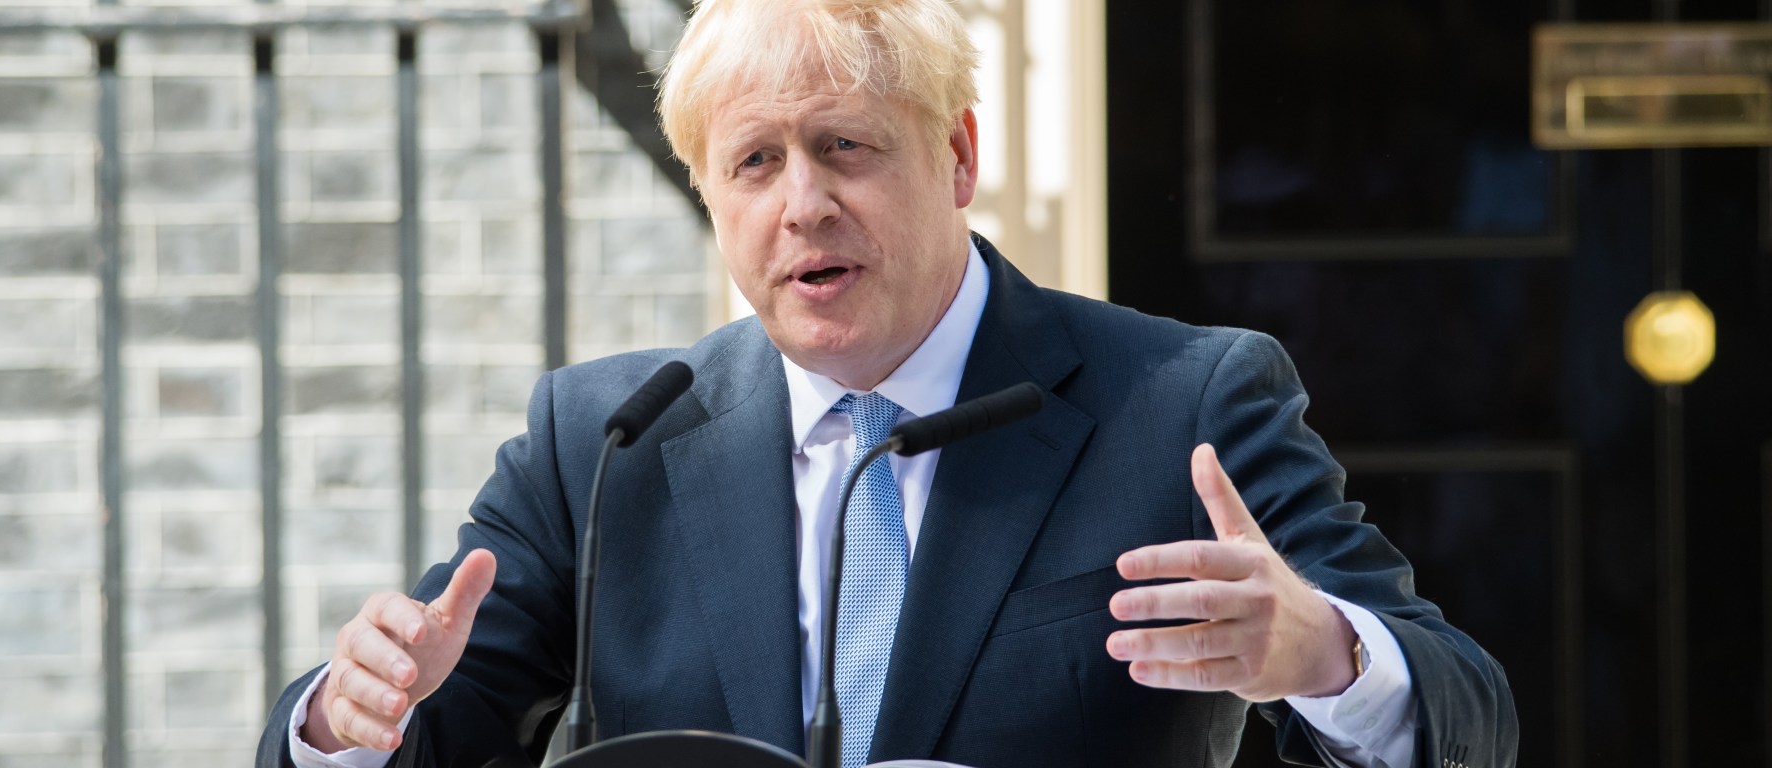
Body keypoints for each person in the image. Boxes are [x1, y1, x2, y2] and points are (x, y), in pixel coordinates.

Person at [257, 1, 1518, 766]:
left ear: (958, 156)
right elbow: (422, 729)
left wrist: (1327, 655)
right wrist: (347, 717)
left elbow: (1468, 716)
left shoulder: (1184, 402)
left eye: (845, 147)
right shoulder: (600, 440)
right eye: (753, 163)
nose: (803, 204)